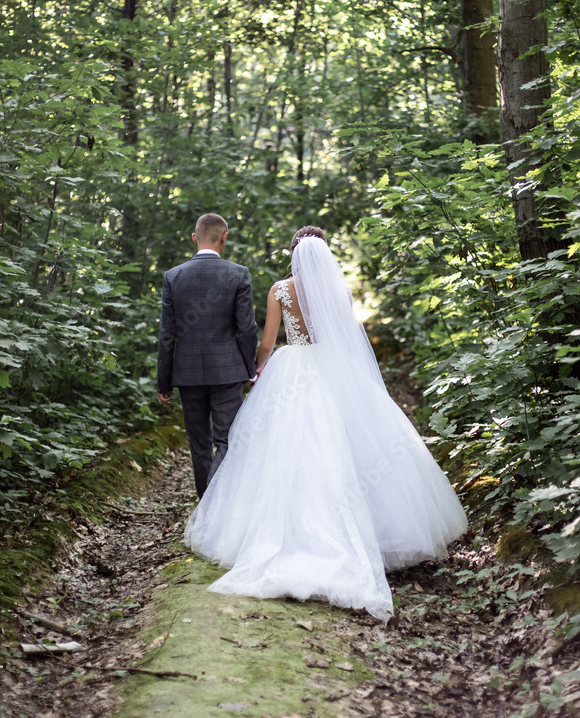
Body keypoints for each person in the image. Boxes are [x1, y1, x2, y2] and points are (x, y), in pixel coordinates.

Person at [184, 226, 468, 619]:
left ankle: (278, 534)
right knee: (349, 445)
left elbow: (267, 342)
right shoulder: (339, 291)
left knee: (284, 448)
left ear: (294, 252)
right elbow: (345, 337)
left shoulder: (280, 290)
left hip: (293, 367)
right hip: (335, 370)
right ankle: (371, 536)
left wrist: (257, 369)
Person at [157, 213, 258, 498]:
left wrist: (163, 383)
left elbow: (167, 335)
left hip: (188, 376)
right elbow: (246, 330)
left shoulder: (173, 277)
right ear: (224, 238)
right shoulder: (238, 274)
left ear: (194, 238)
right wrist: (249, 369)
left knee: (199, 445)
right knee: (227, 440)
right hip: (228, 373)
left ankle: (206, 506)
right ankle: (220, 508)